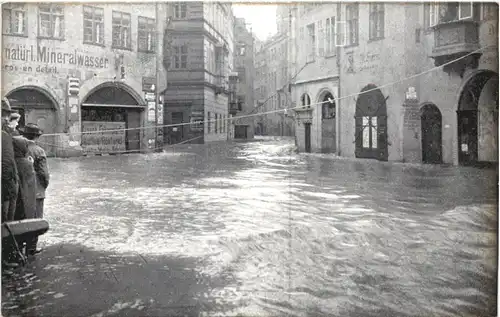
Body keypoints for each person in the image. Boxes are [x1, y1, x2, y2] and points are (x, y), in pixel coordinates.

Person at [22, 123, 50, 256]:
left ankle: (20, 246)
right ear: (37, 136)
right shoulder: (39, 151)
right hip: (37, 190)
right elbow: (44, 173)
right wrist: (45, 185)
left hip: (22, 189)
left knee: (22, 217)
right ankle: (31, 248)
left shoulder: (18, 148)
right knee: (36, 219)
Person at [1, 97, 21, 269]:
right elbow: (7, 165)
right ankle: (4, 261)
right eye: (4, 115)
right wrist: (10, 192)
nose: (6, 119)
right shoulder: (4, 137)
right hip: (5, 190)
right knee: (6, 222)